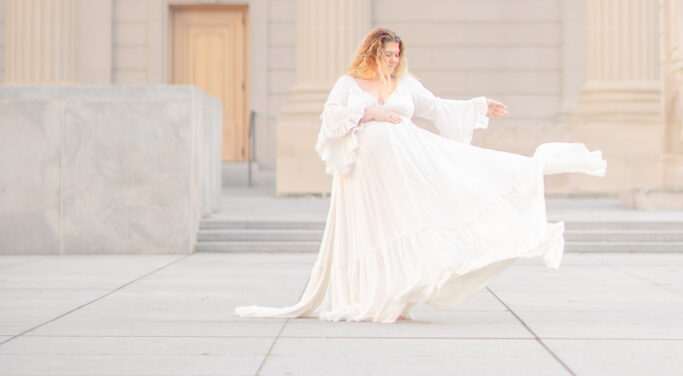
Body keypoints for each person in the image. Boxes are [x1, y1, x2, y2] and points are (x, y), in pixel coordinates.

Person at [236, 27, 606, 323]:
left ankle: (397, 298)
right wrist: (369, 114)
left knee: (403, 225)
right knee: (372, 229)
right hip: (363, 176)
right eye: (388, 54)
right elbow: (331, 117)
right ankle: (368, 297)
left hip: (404, 168)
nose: (394, 60)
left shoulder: (406, 85)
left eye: (398, 55)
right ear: (373, 53)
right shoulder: (349, 84)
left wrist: (479, 106)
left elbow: (437, 108)